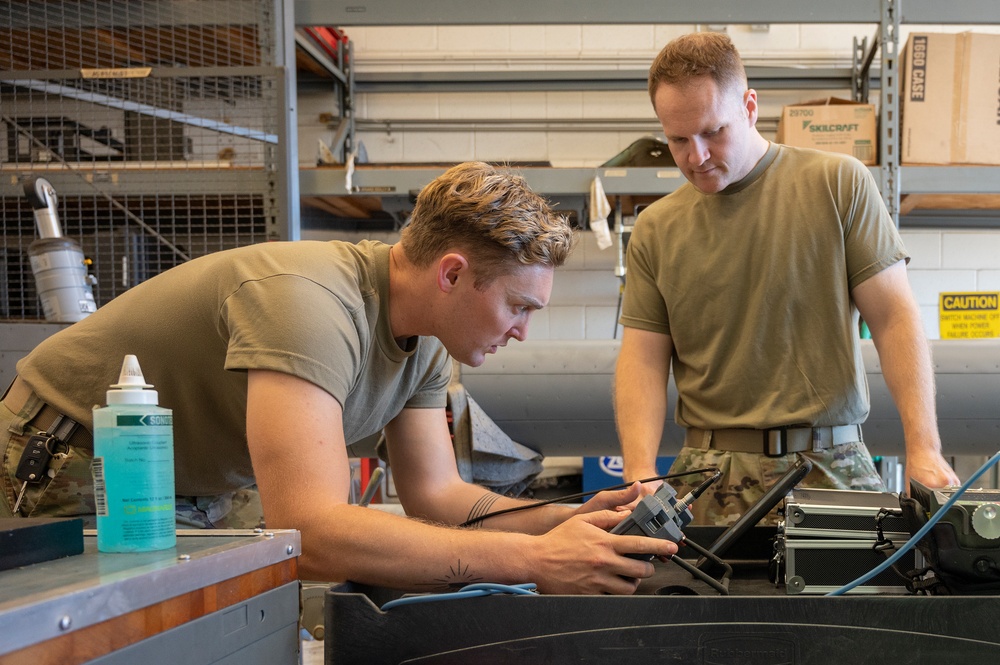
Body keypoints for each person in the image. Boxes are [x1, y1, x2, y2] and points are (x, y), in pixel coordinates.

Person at [2, 161, 676, 594]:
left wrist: (569, 522)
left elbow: (438, 498)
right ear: (451, 274)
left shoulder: (430, 340)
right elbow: (314, 532)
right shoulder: (310, 303)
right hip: (76, 459)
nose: (523, 330)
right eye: (518, 306)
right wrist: (533, 561)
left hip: (192, 484)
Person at [614, 32, 959, 525]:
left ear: (750, 106)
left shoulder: (838, 184)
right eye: (677, 140)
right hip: (708, 477)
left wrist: (923, 448)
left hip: (831, 465)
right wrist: (639, 471)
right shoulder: (655, 227)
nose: (697, 156)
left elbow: (893, 318)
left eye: (713, 132)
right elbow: (643, 359)